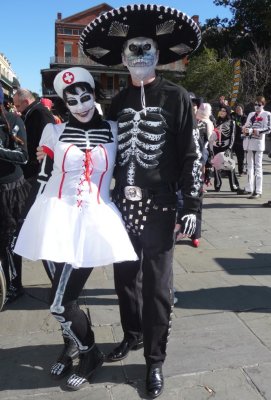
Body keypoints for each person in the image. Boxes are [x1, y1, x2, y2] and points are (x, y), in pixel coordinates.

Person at [80, 4, 202, 398]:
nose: (138, 54)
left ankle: (154, 360)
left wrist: (192, 208)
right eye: (132, 49)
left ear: (157, 53)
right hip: (122, 205)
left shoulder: (176, 97)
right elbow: (104, 152)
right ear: (122, 56)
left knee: (158, 288)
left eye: (146, 47)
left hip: (161, 206)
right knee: (124, 280)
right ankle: (131, 335)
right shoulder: (118, 103)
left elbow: (191, 155)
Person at [14, 67, 138, 390]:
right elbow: (41, 177)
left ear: (94, 96)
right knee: (62, 294)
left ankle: (90, 351)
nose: (81, 105)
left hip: (93, 221)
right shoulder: (53, 134)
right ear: (64, 104)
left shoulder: (114, 130)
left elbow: (130, 172)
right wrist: (24, 220)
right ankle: (71, 344)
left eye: (86, 97)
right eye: (72, 101)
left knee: (59, 303)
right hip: (51, 219)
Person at [0, 84, 30, 304]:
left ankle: (14, 284)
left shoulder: (13, 121)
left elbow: (23, 156)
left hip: (10, 190)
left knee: (10, 241)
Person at [13, 89, 55, 183]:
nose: (17, 109)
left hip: (37, 170)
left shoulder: (41, 113)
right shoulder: (32, 112)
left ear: (26, 102)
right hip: (31, 167)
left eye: (18, 106)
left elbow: (49, 142)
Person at [237, 96, 271, 198]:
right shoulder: (251, 114)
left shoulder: (267, 114)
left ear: (263, 105)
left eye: (259, 105)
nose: (256, 106)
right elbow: (247, 124)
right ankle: (249, 188)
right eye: (255, 104)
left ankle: (258, 190)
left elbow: (268, 129)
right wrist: (244, 129)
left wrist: (255, 130)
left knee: (258, 167)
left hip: (258, 144)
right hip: (248, 143)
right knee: (249, 167)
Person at [209, 105, 239, 192]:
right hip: (216, 147)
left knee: (230, 166)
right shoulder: (216, 121)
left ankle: (234, 185)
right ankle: (217, 185)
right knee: (216, 166)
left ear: (228, 113)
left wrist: (229, 148)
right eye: (221, 110)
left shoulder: (231, 122)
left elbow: (232, 136)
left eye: (224, 111)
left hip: (226, 147)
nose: (222, 112)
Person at [232, 104, 247, 176]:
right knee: (229, 156)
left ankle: (241, 171)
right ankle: (229, 171)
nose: (238, 110)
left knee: (240, 157)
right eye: (237, 109)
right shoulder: (233, 116)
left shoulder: (245, 117)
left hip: (241, 140)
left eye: (239, 109)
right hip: (233, 139)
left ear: (242, 110)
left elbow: (243, 127)